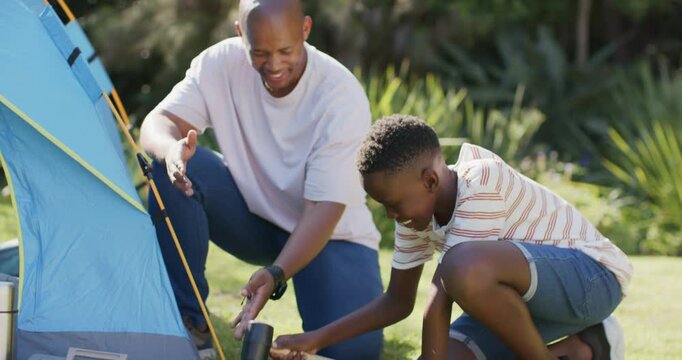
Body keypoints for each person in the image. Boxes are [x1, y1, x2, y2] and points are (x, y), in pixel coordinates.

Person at [272, 114, 633, 360]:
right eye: (384, 206)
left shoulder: (481, 184)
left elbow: (442, 296)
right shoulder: (415, 216)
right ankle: (588, 346)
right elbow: (397, 301)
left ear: (430, 181)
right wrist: (315, 339)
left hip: (593, 280)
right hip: (529, 306)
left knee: (461, 267)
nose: (392, 216)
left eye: (394, 204)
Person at [138, 0, 384, 358]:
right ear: (241, 35)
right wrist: (170, 149)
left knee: (353, 353)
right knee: (169, 167)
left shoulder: (341, 95)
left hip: (330, 235)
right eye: (260, 53)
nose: (274, 65)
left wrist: (276, 273)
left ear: (305, 30)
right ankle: (189, 326)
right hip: (256, 219)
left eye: (286, 50)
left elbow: (323, 209)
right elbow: (158, 123)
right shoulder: (219, 63)